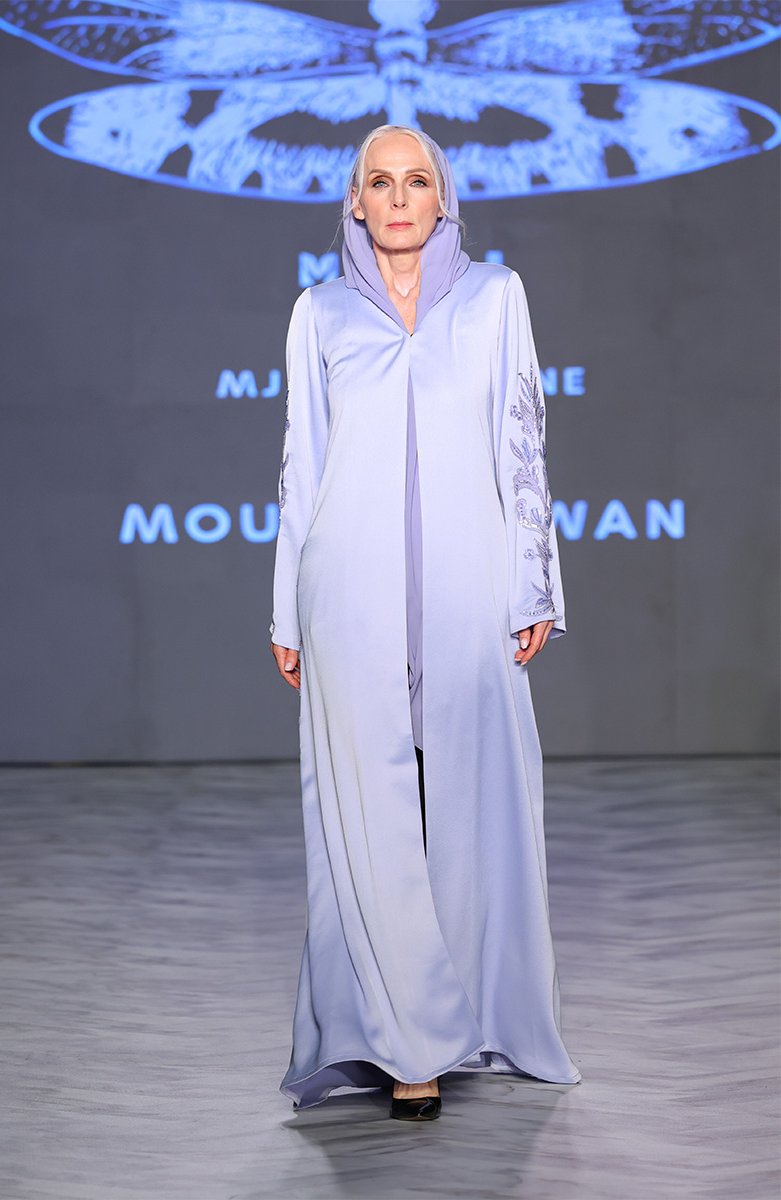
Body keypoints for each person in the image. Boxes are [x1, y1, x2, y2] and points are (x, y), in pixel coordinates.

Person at [270, 124, 581, 1122]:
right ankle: (409, 1042)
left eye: (416, 181)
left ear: (441, 198)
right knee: (365, 819)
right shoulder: (318, 314)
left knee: (475, 806)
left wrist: (534, 586)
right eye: (380, 182)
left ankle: (484, 1015)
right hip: (346, 593)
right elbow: (301, 467)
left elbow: (522, 445)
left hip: (466, 587)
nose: (399, 198)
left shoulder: (495, 298)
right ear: (355, 202)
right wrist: (284, 610)